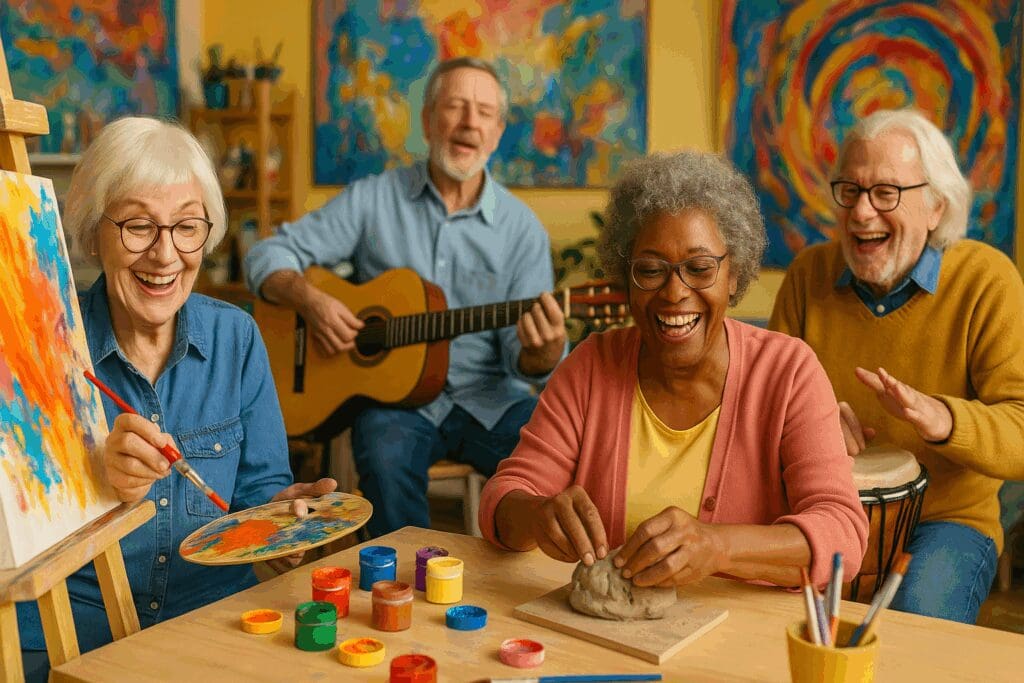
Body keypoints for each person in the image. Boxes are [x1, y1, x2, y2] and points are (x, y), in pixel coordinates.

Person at [18, 117, 335, 680]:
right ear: (94, 233)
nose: (165, 255)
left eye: (186, 228)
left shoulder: (236, 336)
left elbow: (259, 495)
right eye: (138, 226)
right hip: (76, 631)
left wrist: (284, 524)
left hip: (213, 622)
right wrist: (94, 479)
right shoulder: (44, 350)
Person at [479, 151, 868, 590]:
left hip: (741, 644)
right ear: (625, 279)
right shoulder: (590, 367)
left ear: (734, 274)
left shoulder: (788, 372)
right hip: (606, 642)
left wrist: (718, 547)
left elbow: (842, 535)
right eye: (650, 270)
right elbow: (504, 496)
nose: (674, 293)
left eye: (699, 269)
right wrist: (537, 514)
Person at [245, 57, 567, 537]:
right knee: (384, 455)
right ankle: (406, 590)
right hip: (395, 405)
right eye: (455, 106)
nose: (468, 123)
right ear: (428, 120)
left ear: (497, 133)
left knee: (554, 460)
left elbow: (525, 360)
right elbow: (266, 254)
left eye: (483, 112)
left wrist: (541, 353)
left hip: (488, 399)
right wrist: (309, 300)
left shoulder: (522, 232)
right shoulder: (373, 199)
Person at [769, 108, 1024, 623]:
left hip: (947, 523)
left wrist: (946, 420)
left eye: (886, 193)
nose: (862, 213)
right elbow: (759, 406)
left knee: (913, 628)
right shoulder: (807, 276)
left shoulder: (987, 281)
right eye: (851, 191)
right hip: (826, 512)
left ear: (936, 205)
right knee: (775, 631)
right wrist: (804, 422)